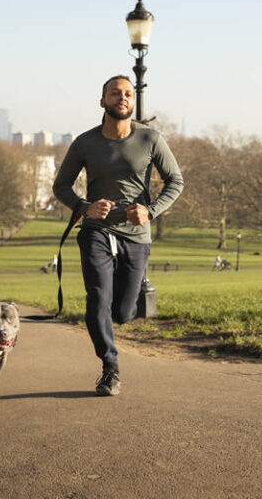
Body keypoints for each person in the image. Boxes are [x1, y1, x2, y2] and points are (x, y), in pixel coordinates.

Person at [52, 75, 184, 396]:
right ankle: (110, 367)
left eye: (127, 93)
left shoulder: (150, 139)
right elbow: (61, 186)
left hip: (136, 234)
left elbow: (175, 182)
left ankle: (106, 319)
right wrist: (84, 207)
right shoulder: (85, 143)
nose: (122, 98)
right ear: (103, 101)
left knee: (124, 312)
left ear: (132, 102)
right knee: (98, 297)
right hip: (97, 230)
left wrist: (150, 211)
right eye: (115, 93)